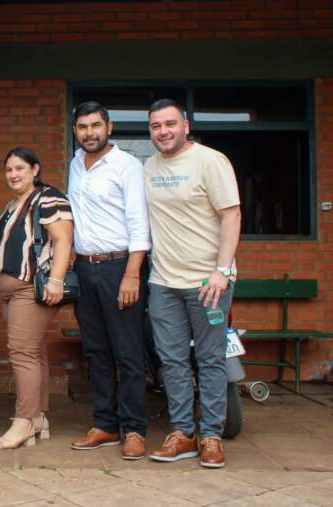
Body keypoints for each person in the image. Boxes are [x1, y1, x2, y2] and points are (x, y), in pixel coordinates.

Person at [144, 99, 241, 468]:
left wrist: (222, 270)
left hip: (207, 282)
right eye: (156, 126)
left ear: (185, 124)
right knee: (171, 361)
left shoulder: (210, 161)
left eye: (170, 123)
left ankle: (212, 435)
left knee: (211, 359)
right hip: (164, 282)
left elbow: (231, 215)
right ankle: (183, 433)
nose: (163, 131)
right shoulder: (149, 166)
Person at [66, 102, 151, 460]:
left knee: (128, 351)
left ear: (109, 127)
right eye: (83, 127)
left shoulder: (128, 166)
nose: (89, 133)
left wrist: (132, 273)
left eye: (95, 126)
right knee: (96, 350)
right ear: (75, 131)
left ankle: (134, 428)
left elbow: (139, 223)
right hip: (85, 269)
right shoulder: (75, 164)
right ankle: (105, 423)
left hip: (121, 268)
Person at [0, 147, 74, 449]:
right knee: (34, 352)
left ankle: (23, 421)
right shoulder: (12, 204)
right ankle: (39, 418)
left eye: (20, 169)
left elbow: (64, 239)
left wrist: (56, 280)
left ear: (35, 170)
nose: (13, 174)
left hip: (30, 288)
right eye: (9, 169)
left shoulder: (48, 197)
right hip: (10, 292)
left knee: (21, 353)